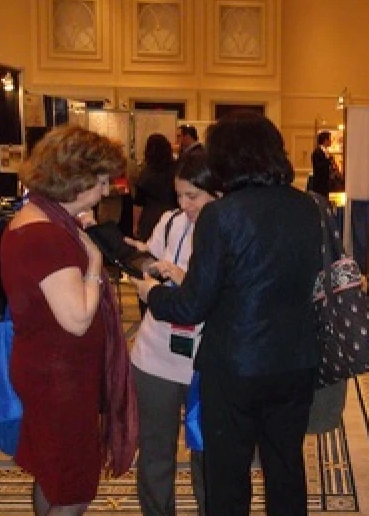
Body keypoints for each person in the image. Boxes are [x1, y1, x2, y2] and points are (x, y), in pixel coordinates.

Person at [133, 112, 322, 516]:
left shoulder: (223, 214)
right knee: (286, 468)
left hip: (235, 366)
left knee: (228, 477)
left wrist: (152, 294)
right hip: (297, 360)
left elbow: (193, 303)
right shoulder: (307, 208)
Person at [0, 125, 136, 516]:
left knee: (52, 474)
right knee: (72, 484)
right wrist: (94, 265)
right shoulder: (46, 235)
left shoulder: (40, 219)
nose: (107, 191)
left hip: (50, 369)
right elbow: (77, 319)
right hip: (60, 378)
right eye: (103, 181)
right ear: (77, 178)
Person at [124, 149, 219, 516]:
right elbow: (150, 266)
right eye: (179, 194)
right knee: (155, 452)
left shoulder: (228, 229)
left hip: (205, 359)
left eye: (193, 195)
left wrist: (183, 278)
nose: (185, 204)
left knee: (207, 454)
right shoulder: (170, 221)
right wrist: (140, 259)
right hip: (155, 355)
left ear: (218, 191)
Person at [132, 133, 178, 241]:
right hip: (173, 215)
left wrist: (135, 225)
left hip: (150, 218)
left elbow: (139, 203)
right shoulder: (177, 169)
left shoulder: (146, 173)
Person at [308, 130, 338, 197]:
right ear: (325, 140)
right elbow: (317, 167)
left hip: (325, 183)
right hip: (320, 184)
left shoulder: (327, 152)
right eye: (329, 139)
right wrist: (328, 161)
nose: (331, 141)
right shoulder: (317, 152)